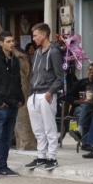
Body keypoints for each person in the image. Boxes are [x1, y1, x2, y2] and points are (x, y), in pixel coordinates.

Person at [0, 31, 24, 180]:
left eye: (13, 41)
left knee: (7, 139)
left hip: (13, 104)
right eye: (8, 41)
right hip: (0, 106)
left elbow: (18, 81)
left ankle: (3, 166)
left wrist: (20, 99)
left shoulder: (15, 60)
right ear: (1, 43)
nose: (11, 44)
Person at [25, 23, 64, 171]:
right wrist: (30, 95)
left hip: (46, 94)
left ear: (44, 35)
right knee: (38, 129)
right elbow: (34, 74)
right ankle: (41, 156)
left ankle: (52, 157)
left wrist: (50, 92)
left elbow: (60, 77)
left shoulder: (54, 52)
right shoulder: (37, 52)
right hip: (34, 95)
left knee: (49, 128)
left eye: (35, 35)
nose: (33, 38)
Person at [70, 62, 93, 144]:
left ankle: (79, 131)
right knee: (83, 110)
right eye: (90, 70)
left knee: (86, 109)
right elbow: (68, 97)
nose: (92, 72)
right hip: (80, 108)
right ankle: (85, 142)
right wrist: (80, 101)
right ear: (87, 71)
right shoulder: (81, 83)